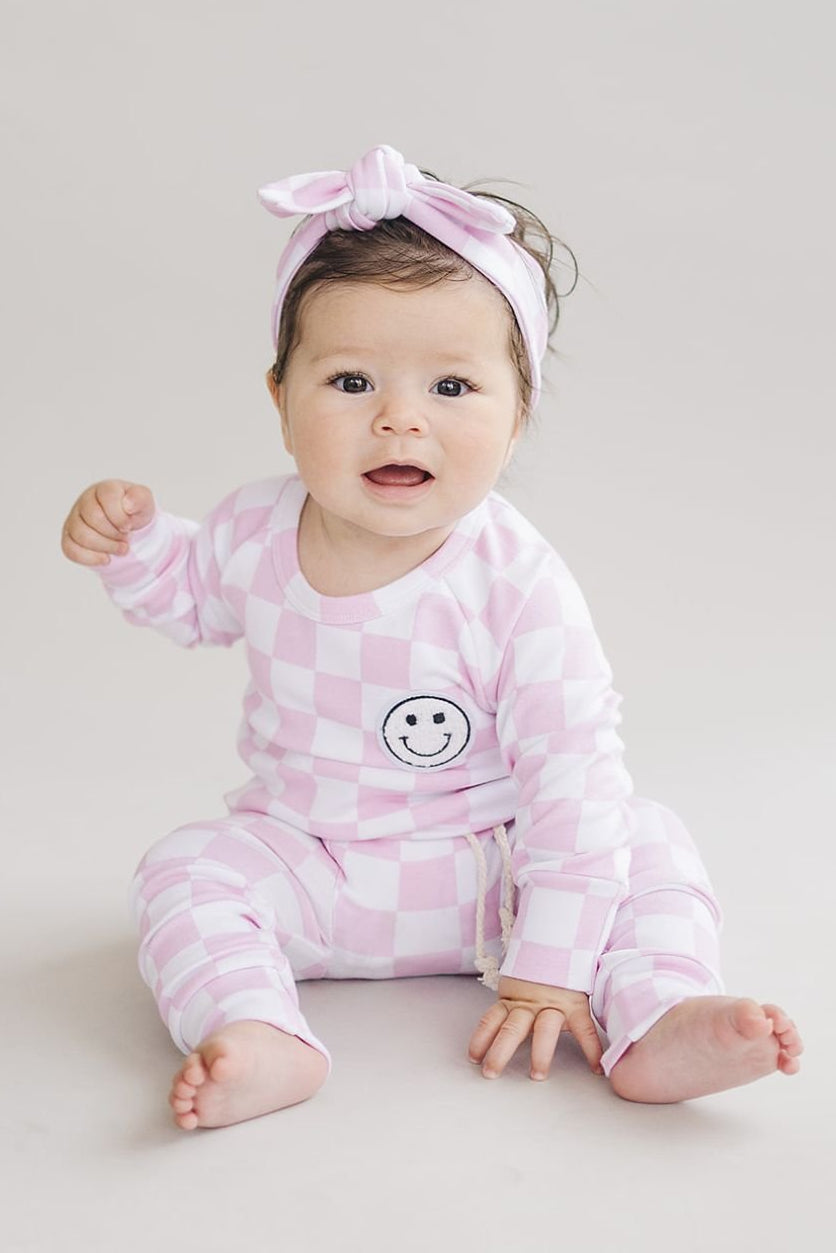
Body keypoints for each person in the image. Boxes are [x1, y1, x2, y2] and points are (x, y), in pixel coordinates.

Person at [61, 144, 802, 1131]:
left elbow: (569, 774)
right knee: (182, 869)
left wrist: (548, 964)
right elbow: (191, 597)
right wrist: (136, 547)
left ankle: (651, 1011)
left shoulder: (515, 582)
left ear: (517, 416)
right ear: (280, 400)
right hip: (314, 867)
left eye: (451, 389)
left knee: (642, 835)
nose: (400, 419)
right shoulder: (252, 529)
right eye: (352, 381)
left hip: (492, 870)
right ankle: (256, 1027)